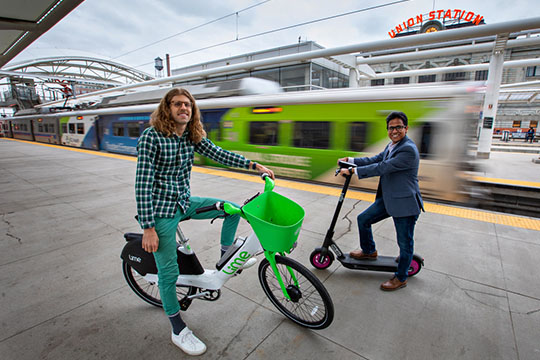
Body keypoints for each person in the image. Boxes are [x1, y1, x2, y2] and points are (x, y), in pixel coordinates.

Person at [135, 88, 274, 355]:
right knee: (169, 273)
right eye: (177, 104)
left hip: (184, 202)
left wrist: (254, 165)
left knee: (231, 209)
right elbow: (142, 184)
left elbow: (219, 153)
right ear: (167, 108)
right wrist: (148, 227)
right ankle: (178, 329)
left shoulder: (191, 135)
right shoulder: (151, 137)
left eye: (187, 104)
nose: (183, 108)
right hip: (161, 211)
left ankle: (226, 255)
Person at [338, 111, 424, 291]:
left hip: (405, 204)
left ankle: (401, 278)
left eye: (399, 127)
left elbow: (383, 167)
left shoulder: (408, 149)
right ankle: (369, 251)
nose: (394, 130)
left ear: (406, 128)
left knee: (405, 243)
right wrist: (351, 160)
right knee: (364, 219)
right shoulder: (392, 145)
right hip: (389, 198)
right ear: (387, 130)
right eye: (391, 127)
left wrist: (353, 172)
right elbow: (376, 159)